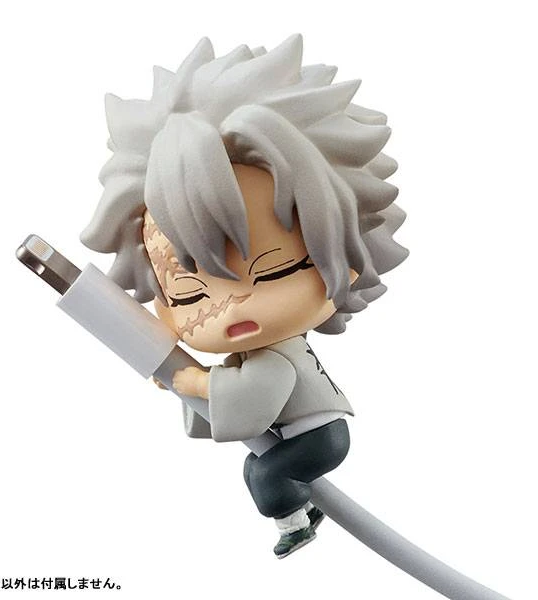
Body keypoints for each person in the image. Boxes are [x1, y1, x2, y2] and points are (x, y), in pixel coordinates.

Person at [80, 34, 408, 558]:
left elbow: (255, 398)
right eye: (187, 293)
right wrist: (191, 387)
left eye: (276, 269)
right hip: (310, 434)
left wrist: (198, 382)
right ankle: (300, 510)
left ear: (347, 255)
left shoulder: (274, 358)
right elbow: (237, 400)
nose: (230, 307)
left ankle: (294, 522)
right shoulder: (257, 356)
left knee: (263, 475)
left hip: (320, 437)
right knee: (261, 469)